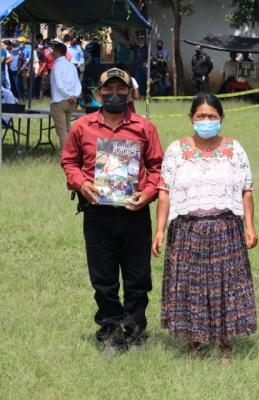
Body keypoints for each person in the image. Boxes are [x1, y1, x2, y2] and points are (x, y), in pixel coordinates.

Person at [60, 67, 164, 355]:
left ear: (130, 93)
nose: (115, 94)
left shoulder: (144, 127)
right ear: (99, 93)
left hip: (135, 211)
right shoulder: (82, 126)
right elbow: (69, 161)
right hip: (97, 213)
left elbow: (157, 167)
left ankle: (135, 330)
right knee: (103, 278)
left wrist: (149, 192)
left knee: (137, 277)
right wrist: (81, 184)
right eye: (109, 90)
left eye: (122, 90)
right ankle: (110, 329)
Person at [152, 93, 258, 365]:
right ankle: (194, 343)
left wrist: (249, 225)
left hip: (226, 229)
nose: (206, 121)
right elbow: (164, 191)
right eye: (201, 116)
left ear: (222, 118)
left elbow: (247, 190)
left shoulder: (235, 149)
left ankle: (225, 345)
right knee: (191, 287)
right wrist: (160, 230)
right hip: (187, 231)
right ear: (191, 118)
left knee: (226, 287)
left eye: (212, 116)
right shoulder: (177, 150)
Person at [49, 42, 81, 147]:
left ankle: (67, 155)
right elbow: (78, 84)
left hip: (59, 101)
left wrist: (68, 96)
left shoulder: (56, 66)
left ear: (57, 52)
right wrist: (74, 96)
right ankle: (73, 152)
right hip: (71, 102)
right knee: (68, 129)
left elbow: (59, 85)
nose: (52, 53)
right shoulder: (72, 66)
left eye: (53, 51)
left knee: (62, 131)